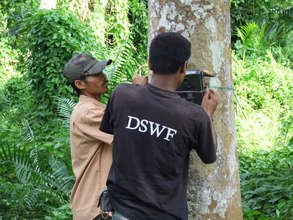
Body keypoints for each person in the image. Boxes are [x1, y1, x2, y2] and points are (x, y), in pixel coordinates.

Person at [99, 32, 219, 220]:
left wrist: (138, 91)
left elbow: (111, 129)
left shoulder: (122, 94)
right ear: (184, 67)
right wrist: (208, 115)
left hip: (123, 212)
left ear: (149, 64)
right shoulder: (195, 116)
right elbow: (209, 156)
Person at [63, 53, 114, 220]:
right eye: (97, 74)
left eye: (102, 72)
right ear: (79, 84)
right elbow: (130, 127)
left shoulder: (95, 108)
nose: (104, 76)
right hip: (97, 211)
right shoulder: (88, 112)